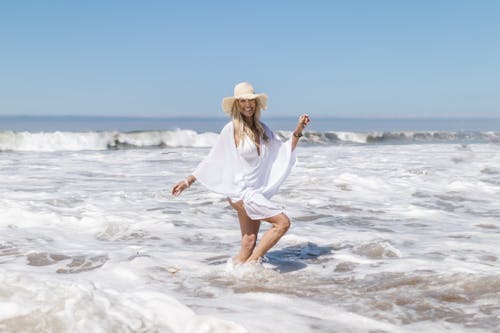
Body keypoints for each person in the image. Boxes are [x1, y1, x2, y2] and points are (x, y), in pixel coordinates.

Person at [171, 82, 310, 264]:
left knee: (249, 242)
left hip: (255, 191)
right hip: (241, 192)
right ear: (237, 104)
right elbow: (213, 158)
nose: (248, 105)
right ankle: (251, 265)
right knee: (282, 223)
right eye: (243, 101)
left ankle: (233, 275)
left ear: (256, 103)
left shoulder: (262, 129)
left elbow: (283, 151)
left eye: (251, 101)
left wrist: (299, 129)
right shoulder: (232, 129)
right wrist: (188, 181)